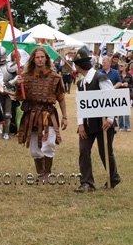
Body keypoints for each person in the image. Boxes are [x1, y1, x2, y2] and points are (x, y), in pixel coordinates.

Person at [14, 47, 67, 181]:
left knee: (49, 143)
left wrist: (65, 116)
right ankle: (40, 173)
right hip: (32, 114)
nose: (40, 59)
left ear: (46, 59)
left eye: (42, 57)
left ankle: (47, 173)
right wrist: (18, 85)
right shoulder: (25, 77)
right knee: (35, 147)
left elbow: (61, 98)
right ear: (33, 59)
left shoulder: (55, 77)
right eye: (37, 57)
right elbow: (18, 97)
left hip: (48, 113)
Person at [73, 48, 121, 193]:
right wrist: (80, 124)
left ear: (79, 66)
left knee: (105, 151)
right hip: (87, 124)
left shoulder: (100, 78)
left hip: (104, 123)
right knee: (84, 151)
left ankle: (113, 178)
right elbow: (79, 105)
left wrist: (111, 119)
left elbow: (112, 99)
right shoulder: (80, 84)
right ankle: (87, 183)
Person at [0, 46, 19, 140]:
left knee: (7, 114)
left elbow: (17, 75)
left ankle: (6, 133)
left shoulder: (11, 65)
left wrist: (10, 83)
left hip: (8, 91)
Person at [118, 61, 133, 131]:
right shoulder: (117, 75)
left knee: (127, 110)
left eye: (121, 66)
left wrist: (128, 85)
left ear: (125, 67)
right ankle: (121, 126)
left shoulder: (129, 76)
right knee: (120, 110)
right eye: (119, 66)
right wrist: (121, 84)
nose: (120, 67)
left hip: (127, 94)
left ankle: (127, 126)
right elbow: (115, 84)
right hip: (119, 94)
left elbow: (132, 85)